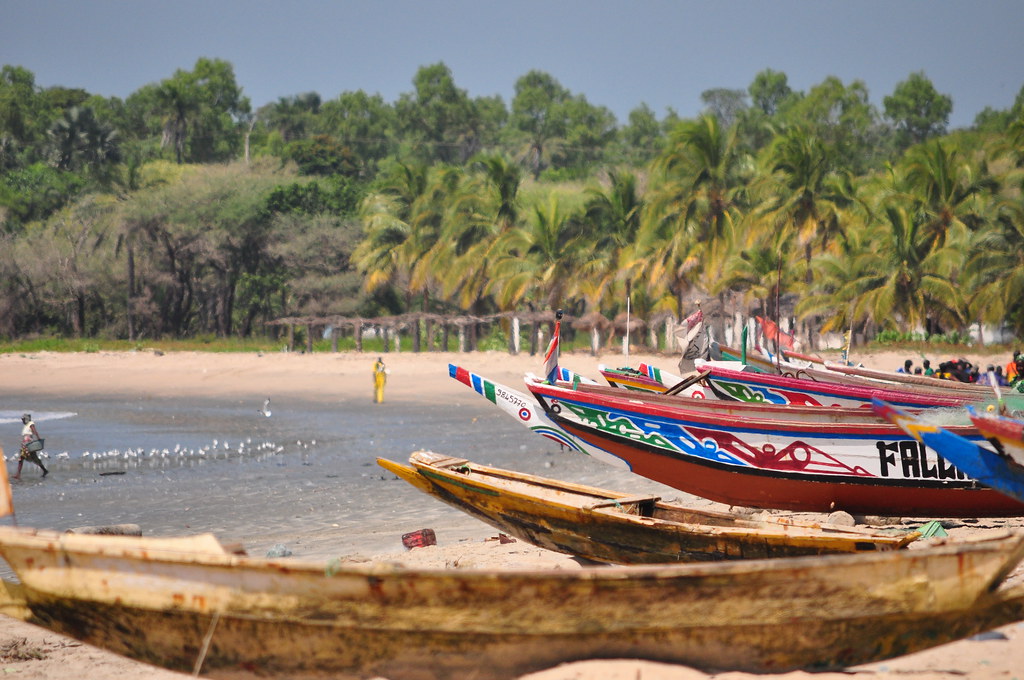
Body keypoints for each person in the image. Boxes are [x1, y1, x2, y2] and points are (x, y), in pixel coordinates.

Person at [15, 413, 48, 479]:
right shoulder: (26, 425)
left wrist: (38, 438)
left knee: (21, 458)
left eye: (23, 419)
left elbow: (34, 431)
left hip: (28, 444)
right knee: (33, 458)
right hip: (25, 444)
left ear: (26, 419)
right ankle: (45, 470)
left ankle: (18, 475)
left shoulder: (31, 423)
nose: (23, 421)